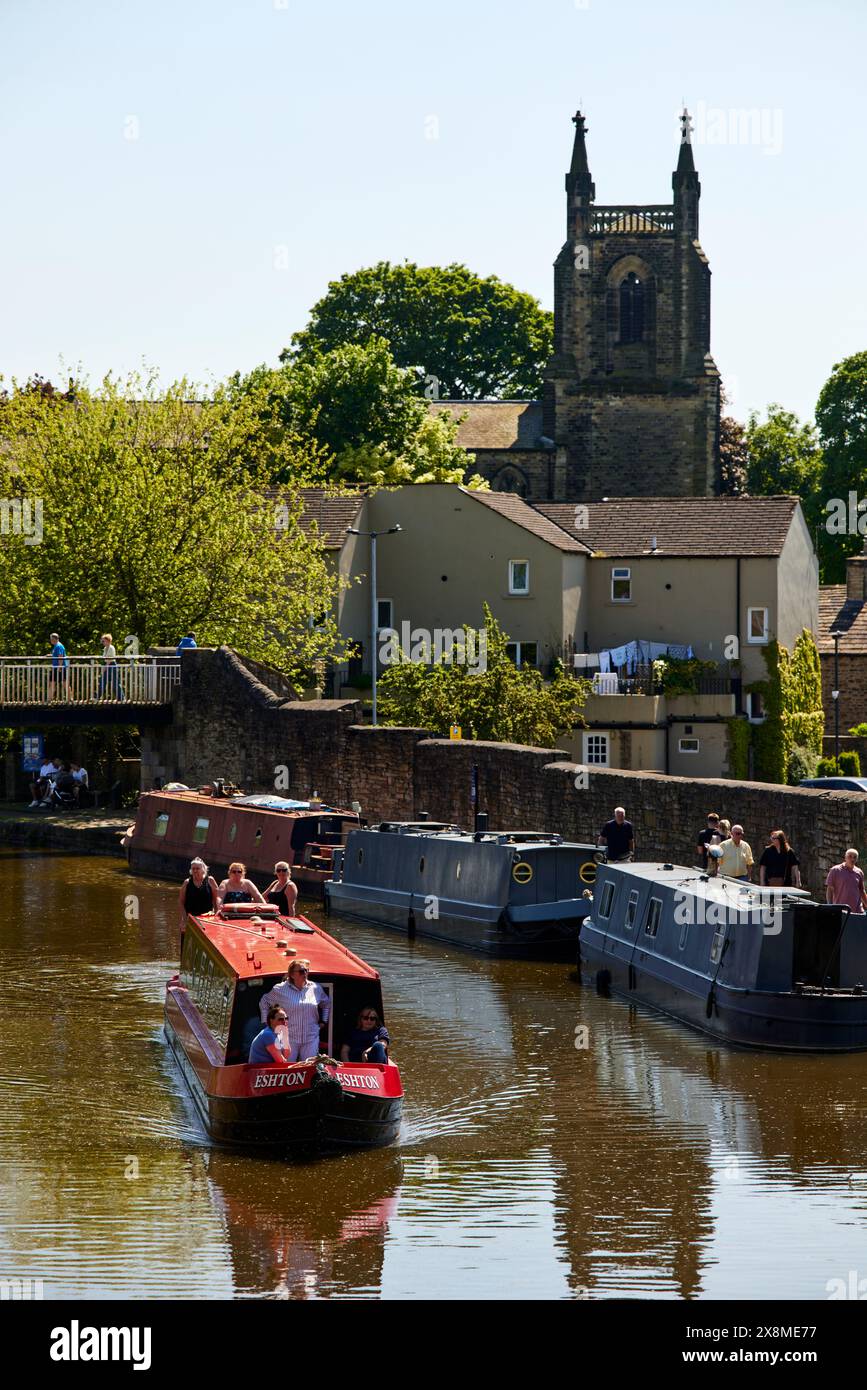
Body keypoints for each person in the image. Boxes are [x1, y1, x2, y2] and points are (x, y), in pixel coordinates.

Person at [259, 960, 330, 1062]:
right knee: (286, 1069)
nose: (305, 973)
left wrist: (323, 1021)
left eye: (306, 970)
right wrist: (267, 1024)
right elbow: (264, 1002)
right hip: (288, 1038)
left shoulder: (315, 988)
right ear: (292, 975)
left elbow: (326, 1003)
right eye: (301, 971)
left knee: (309, 1069)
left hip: (310, 1038)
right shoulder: (280, 989)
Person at [178, 857, 220, 943]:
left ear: (203, 869)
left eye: (197, 868)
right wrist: (184, 919)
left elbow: (216, 900)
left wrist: (217, 917)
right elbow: (181, 902)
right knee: (187, 943)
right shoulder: (187, 882)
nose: (195, 871)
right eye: (193, 869)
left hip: (207, 918)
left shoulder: (210, 880)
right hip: (190, 918)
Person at [826, 850, 867, 915]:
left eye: (855, 857)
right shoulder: (835, 870)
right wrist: (830, 906)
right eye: (850, 856)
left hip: (858, 911)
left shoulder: (859, 872)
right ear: (845, 858)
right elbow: (829, 889)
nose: (852, 859)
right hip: (840, 911)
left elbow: (862, 891)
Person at [97, 633, 125, 701]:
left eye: (104, 641)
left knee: (115, 683)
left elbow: (109, 660)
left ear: (108, 641)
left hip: (111, 665)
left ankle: (121, 698)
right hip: (107, 664)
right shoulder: (105, 648)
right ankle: (97, 697)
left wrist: (104, 669)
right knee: (102, 681)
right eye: (102, 641)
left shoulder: (111, 648)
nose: (102, 642)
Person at [48, 632, 69, 701]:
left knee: (64, 684)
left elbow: (60, 657)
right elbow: (57, 655)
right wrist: (50, 655)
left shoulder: (59, 646)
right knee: (52, 683)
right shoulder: (56, 646)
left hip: (60, 668)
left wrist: (60, 667)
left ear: (54, 639)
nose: (50, 640)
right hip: (56, 667)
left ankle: (70, 698)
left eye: (51, 639)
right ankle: (50, 698)